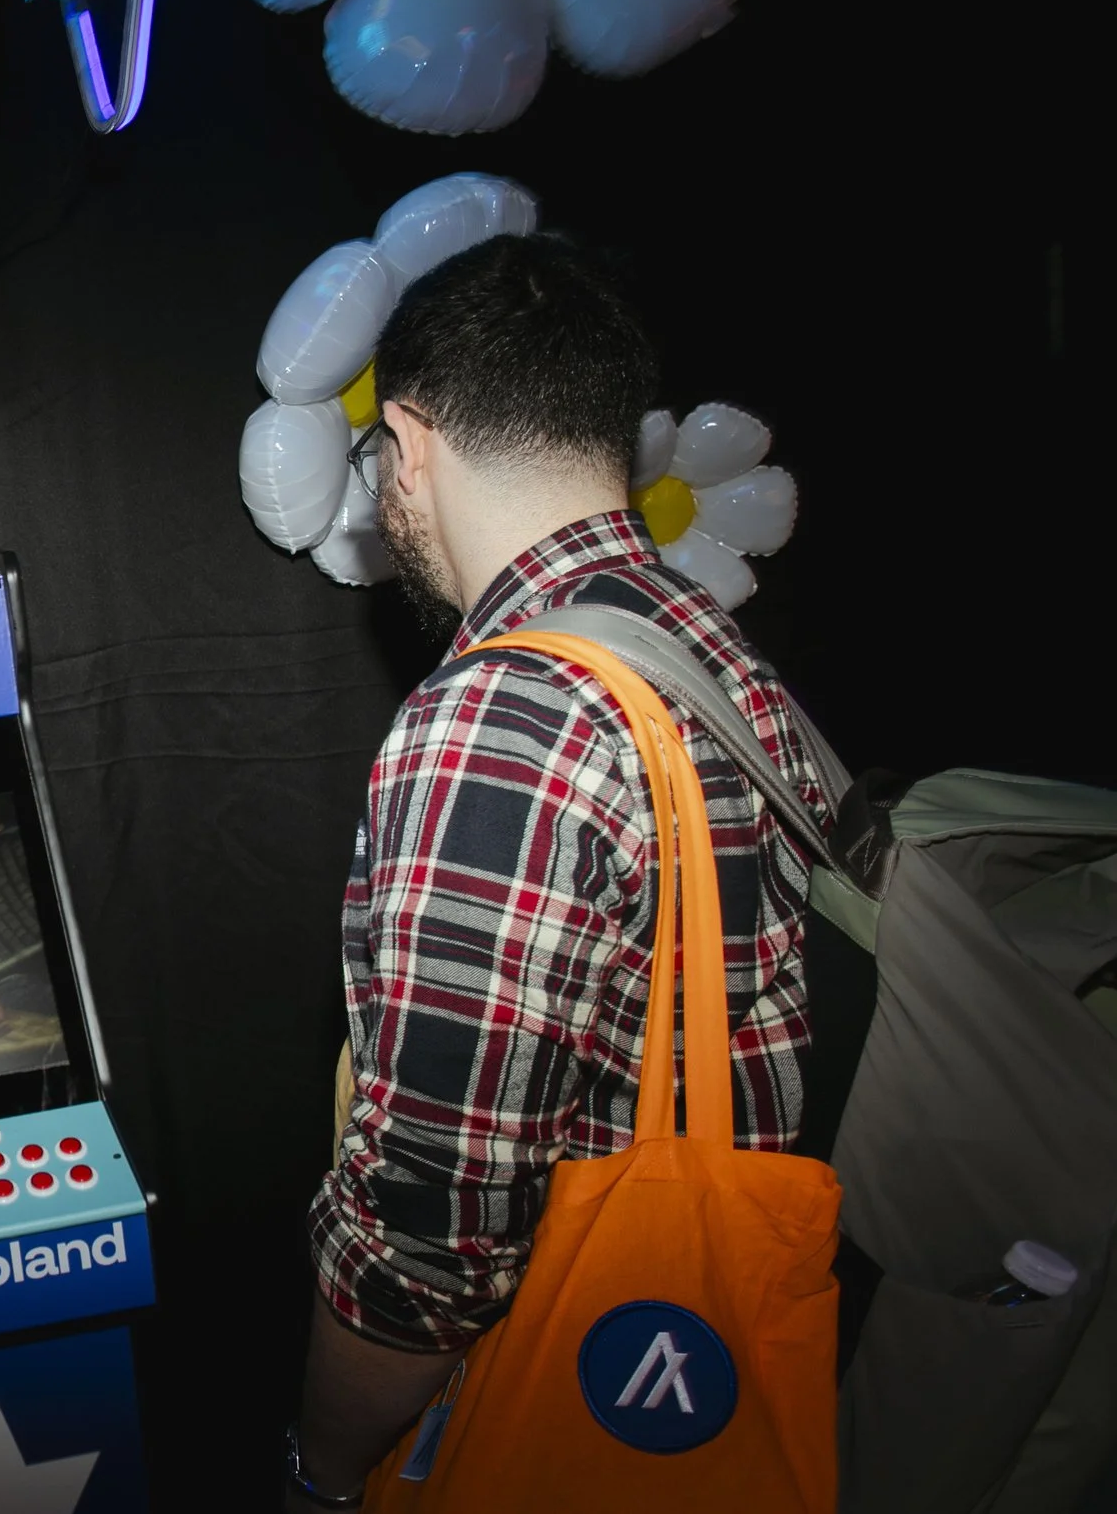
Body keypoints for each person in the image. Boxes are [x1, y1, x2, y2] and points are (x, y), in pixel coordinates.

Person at [283, 236, 833, 1508]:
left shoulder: (502, 723)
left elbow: (428, 1248)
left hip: (561, 1401)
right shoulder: (702, 642)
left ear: (407, 443)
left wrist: (320, 1463)